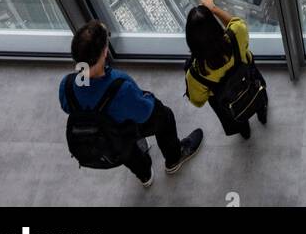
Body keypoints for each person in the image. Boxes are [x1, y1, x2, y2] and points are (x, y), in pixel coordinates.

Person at [60, 20, 203, 187]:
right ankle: (174, 159)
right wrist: (148, 97)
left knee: (127, 151)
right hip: (124, 128)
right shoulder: (119, 86)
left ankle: (145, 176)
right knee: (165, 116)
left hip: (106, 138)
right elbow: (144, 113)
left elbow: (67, 107)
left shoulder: (67, 85)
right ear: (105, 52)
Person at [184, 0, 268, 139]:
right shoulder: (235, 36)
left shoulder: (196, 74)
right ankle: (262, 114)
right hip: (249, 80)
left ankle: (245, 132)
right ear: (215, 26)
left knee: (236, 117)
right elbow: (236, 22)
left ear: (191, 41)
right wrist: (213, 8)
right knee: (258, 97)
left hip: (226, 102)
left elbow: (198, 101)